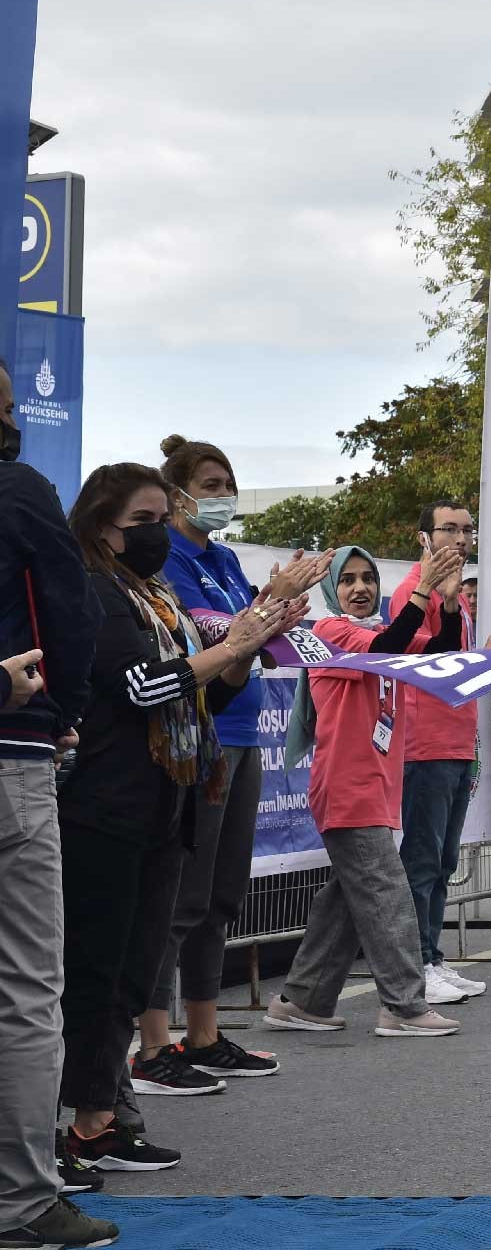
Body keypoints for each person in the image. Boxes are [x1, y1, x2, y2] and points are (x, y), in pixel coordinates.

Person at [58, 463, 297, 1177]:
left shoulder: (156, 597)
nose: (160, 532)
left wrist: (239, 655)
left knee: (132, 974)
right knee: (95, 975)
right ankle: (77, 1125)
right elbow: (144, 687)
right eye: (145, 521)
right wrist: (229, 646)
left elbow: (196, 703)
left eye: (165, 517)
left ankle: (102, 1121)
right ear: (104, 526)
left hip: (167, 801)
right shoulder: (94, 592)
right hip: (106, 808)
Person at [137, 436, 335, 1089]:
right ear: (176, 495)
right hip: (198, 734)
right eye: (211, 484)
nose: (222, 496)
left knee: (223, 894)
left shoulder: (222, 558)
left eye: (229, 485)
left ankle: (204, 1032)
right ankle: (152, 1044)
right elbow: (213, 634)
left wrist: (281, 613)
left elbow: (259, 640)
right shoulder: (166, 558)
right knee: (182, 894)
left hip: (246, 731)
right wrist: (269, 602)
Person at [268, 546, 479, 1040]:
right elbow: (391, 643)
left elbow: (438, 652)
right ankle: (404, 1006)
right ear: (331, 591)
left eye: (368, 578)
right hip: (347, 787)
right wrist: (424, 588)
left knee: (349, 898)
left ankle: (301, 999)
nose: (360, 588)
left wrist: (448, 604)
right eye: (349, 581)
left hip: (374, 788)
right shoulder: (329, 632)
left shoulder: (378, 631)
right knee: (387, 892)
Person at [0, 367, 115, 1249]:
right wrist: (63, 710)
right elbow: (66, 610)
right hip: (14, 753)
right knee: (27, 988)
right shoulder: (21, 488)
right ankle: (21, 1200)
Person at [388, 501, 489, 1003]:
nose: (460, 537)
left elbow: (457, 658)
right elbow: (425, 660)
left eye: (467, 529)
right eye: (448, 528)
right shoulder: (413, 589)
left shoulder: (458, 597)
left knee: (445, 859)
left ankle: (433, 957)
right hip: (424, 741)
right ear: (425, 537)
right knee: (423, 860)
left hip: (455, 738)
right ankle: (415, 964)